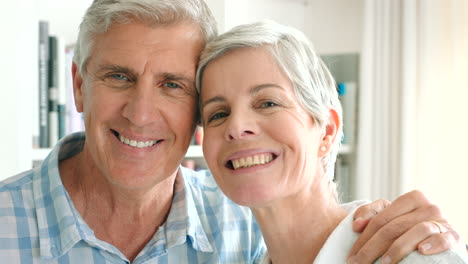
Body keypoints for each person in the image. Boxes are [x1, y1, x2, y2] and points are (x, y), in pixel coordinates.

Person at [0, 0, 461, 263]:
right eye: (119, 76)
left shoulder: (241, 226)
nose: (141, 114)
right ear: (79, 87)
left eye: (173, 85)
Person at [196, 20, 468, 264]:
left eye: (268, 103)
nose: (236, 127)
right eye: (218, 114)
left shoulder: (414, 257)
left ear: (326, 131)